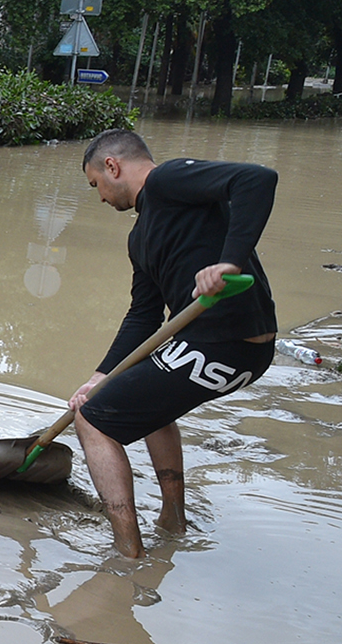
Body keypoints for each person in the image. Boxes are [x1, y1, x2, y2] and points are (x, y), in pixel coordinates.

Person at [71, 128, 277, 558]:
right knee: (145, 401)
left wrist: (230, 260)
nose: (102, 198)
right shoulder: (140, 238)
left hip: (223, 341)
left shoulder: (167, 181)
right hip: (234, 350)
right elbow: (143, 317)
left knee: (92, 422)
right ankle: (173, 518)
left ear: (113, 166)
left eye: (97, 185)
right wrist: (100, 376)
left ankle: (127, 550)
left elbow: (257, 179)